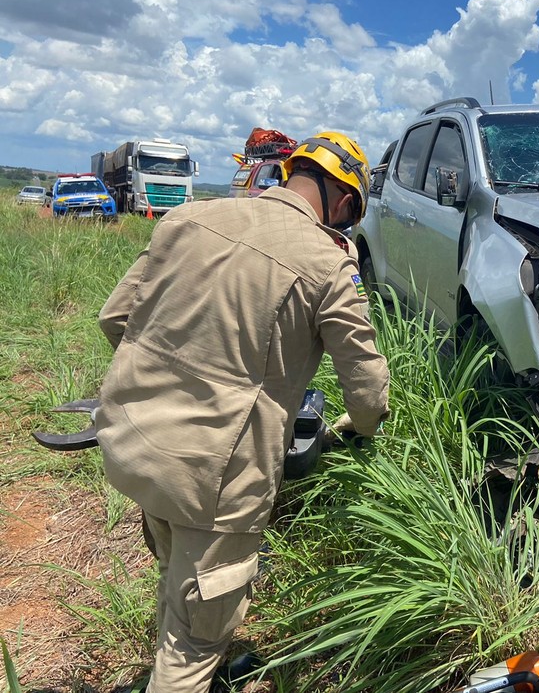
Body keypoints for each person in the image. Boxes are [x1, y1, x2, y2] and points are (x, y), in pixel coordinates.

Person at [94, 131, 390, 692]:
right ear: (347, 203)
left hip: (133, 440)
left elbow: (115, 319)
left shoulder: (187, 219)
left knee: (177, 576)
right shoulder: (328, 264)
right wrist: (363, 429)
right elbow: (368, 390)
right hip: (213, 477)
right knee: (194, 643)